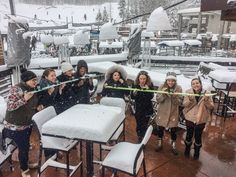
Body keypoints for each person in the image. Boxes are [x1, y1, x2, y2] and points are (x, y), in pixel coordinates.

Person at [3, 69, 43, 177]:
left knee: (25, 147)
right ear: (26, 80)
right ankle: (24, 169)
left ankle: (26, 163)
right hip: (15, 126)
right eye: (33, 80)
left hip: (26, 123)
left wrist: (37, 108)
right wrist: (24, 99)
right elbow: (10, 106)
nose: (35, 82)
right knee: (23, 147)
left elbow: (30, 106)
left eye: (36, 79)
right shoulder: (16, 89)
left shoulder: (32, 89)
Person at [183, 78, 214, 159]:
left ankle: (197, 151)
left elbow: (211, 106)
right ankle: (187, 148)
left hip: (201, 118)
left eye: (197, 83)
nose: (195, 85)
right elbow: (184, 105)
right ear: (191, 85)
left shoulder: (207, 93)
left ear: (200, 84)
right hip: (189, 117)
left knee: (198, 135)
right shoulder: (188, 92)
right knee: (189, 134)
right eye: (193, 84)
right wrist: (189, 100)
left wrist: (207, 101)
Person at [155, 72, 182, 155]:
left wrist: (174, 96)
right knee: (160, 128)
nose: (170, 82)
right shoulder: (161, 86)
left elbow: (179, 102)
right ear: (166, 80)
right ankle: (160, 143)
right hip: (162, 111)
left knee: (173, 129)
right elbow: (158, 100)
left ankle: (173, 144)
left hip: (173, 112)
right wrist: (163, 94)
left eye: (173, 81)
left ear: (175, 81)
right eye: (169, 80)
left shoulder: (178, 88)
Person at [131, 71, 154, 142]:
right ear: (138, 79)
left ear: (147, 79)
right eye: (141, 78)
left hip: (147, 108)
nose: (142, 80)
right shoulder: (135, 85)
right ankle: (139, 137)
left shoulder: (150, 85)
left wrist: (148, 90)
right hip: (138, 108)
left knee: (145, 124)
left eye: (144, 79)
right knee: (139, 124)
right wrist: (134, 93)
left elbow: (151, 97)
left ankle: (143, 138)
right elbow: (132, 97)